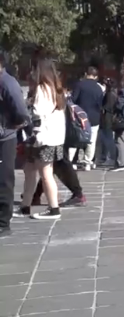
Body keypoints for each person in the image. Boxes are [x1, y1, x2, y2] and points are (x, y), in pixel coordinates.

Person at [18, 60, 66, 220]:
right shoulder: (56, 88)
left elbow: (38, 113)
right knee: (30, 170)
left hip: (43, 138)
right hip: (52, 137)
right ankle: (25, 206)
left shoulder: (43, 89)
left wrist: (28, 105)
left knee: (45, 174)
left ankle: (54, 208)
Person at [0, 49, 30, 237]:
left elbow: (21, 112)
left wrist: (13, 126)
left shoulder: (7, 83)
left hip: (5, 139)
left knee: (4, 180)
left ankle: (3, 222)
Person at [70, 66, 104, 171]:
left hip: (80, 117)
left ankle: (71, 161)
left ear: (86, 74)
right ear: (96, 76)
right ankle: (87, 162)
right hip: (94, 118)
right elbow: (101, 104)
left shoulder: (79, 85)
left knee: (75, 139)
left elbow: (73, 100)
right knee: (91, 141)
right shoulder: (99, 88)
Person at [98, 78, 118, 166]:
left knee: (108, 139)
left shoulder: (109, 94)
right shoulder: (114, 94)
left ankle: (110, 157)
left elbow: (106, 107)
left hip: (107, 119)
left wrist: (101, 108)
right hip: (109, 118)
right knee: (108, 138)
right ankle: (107, 156)